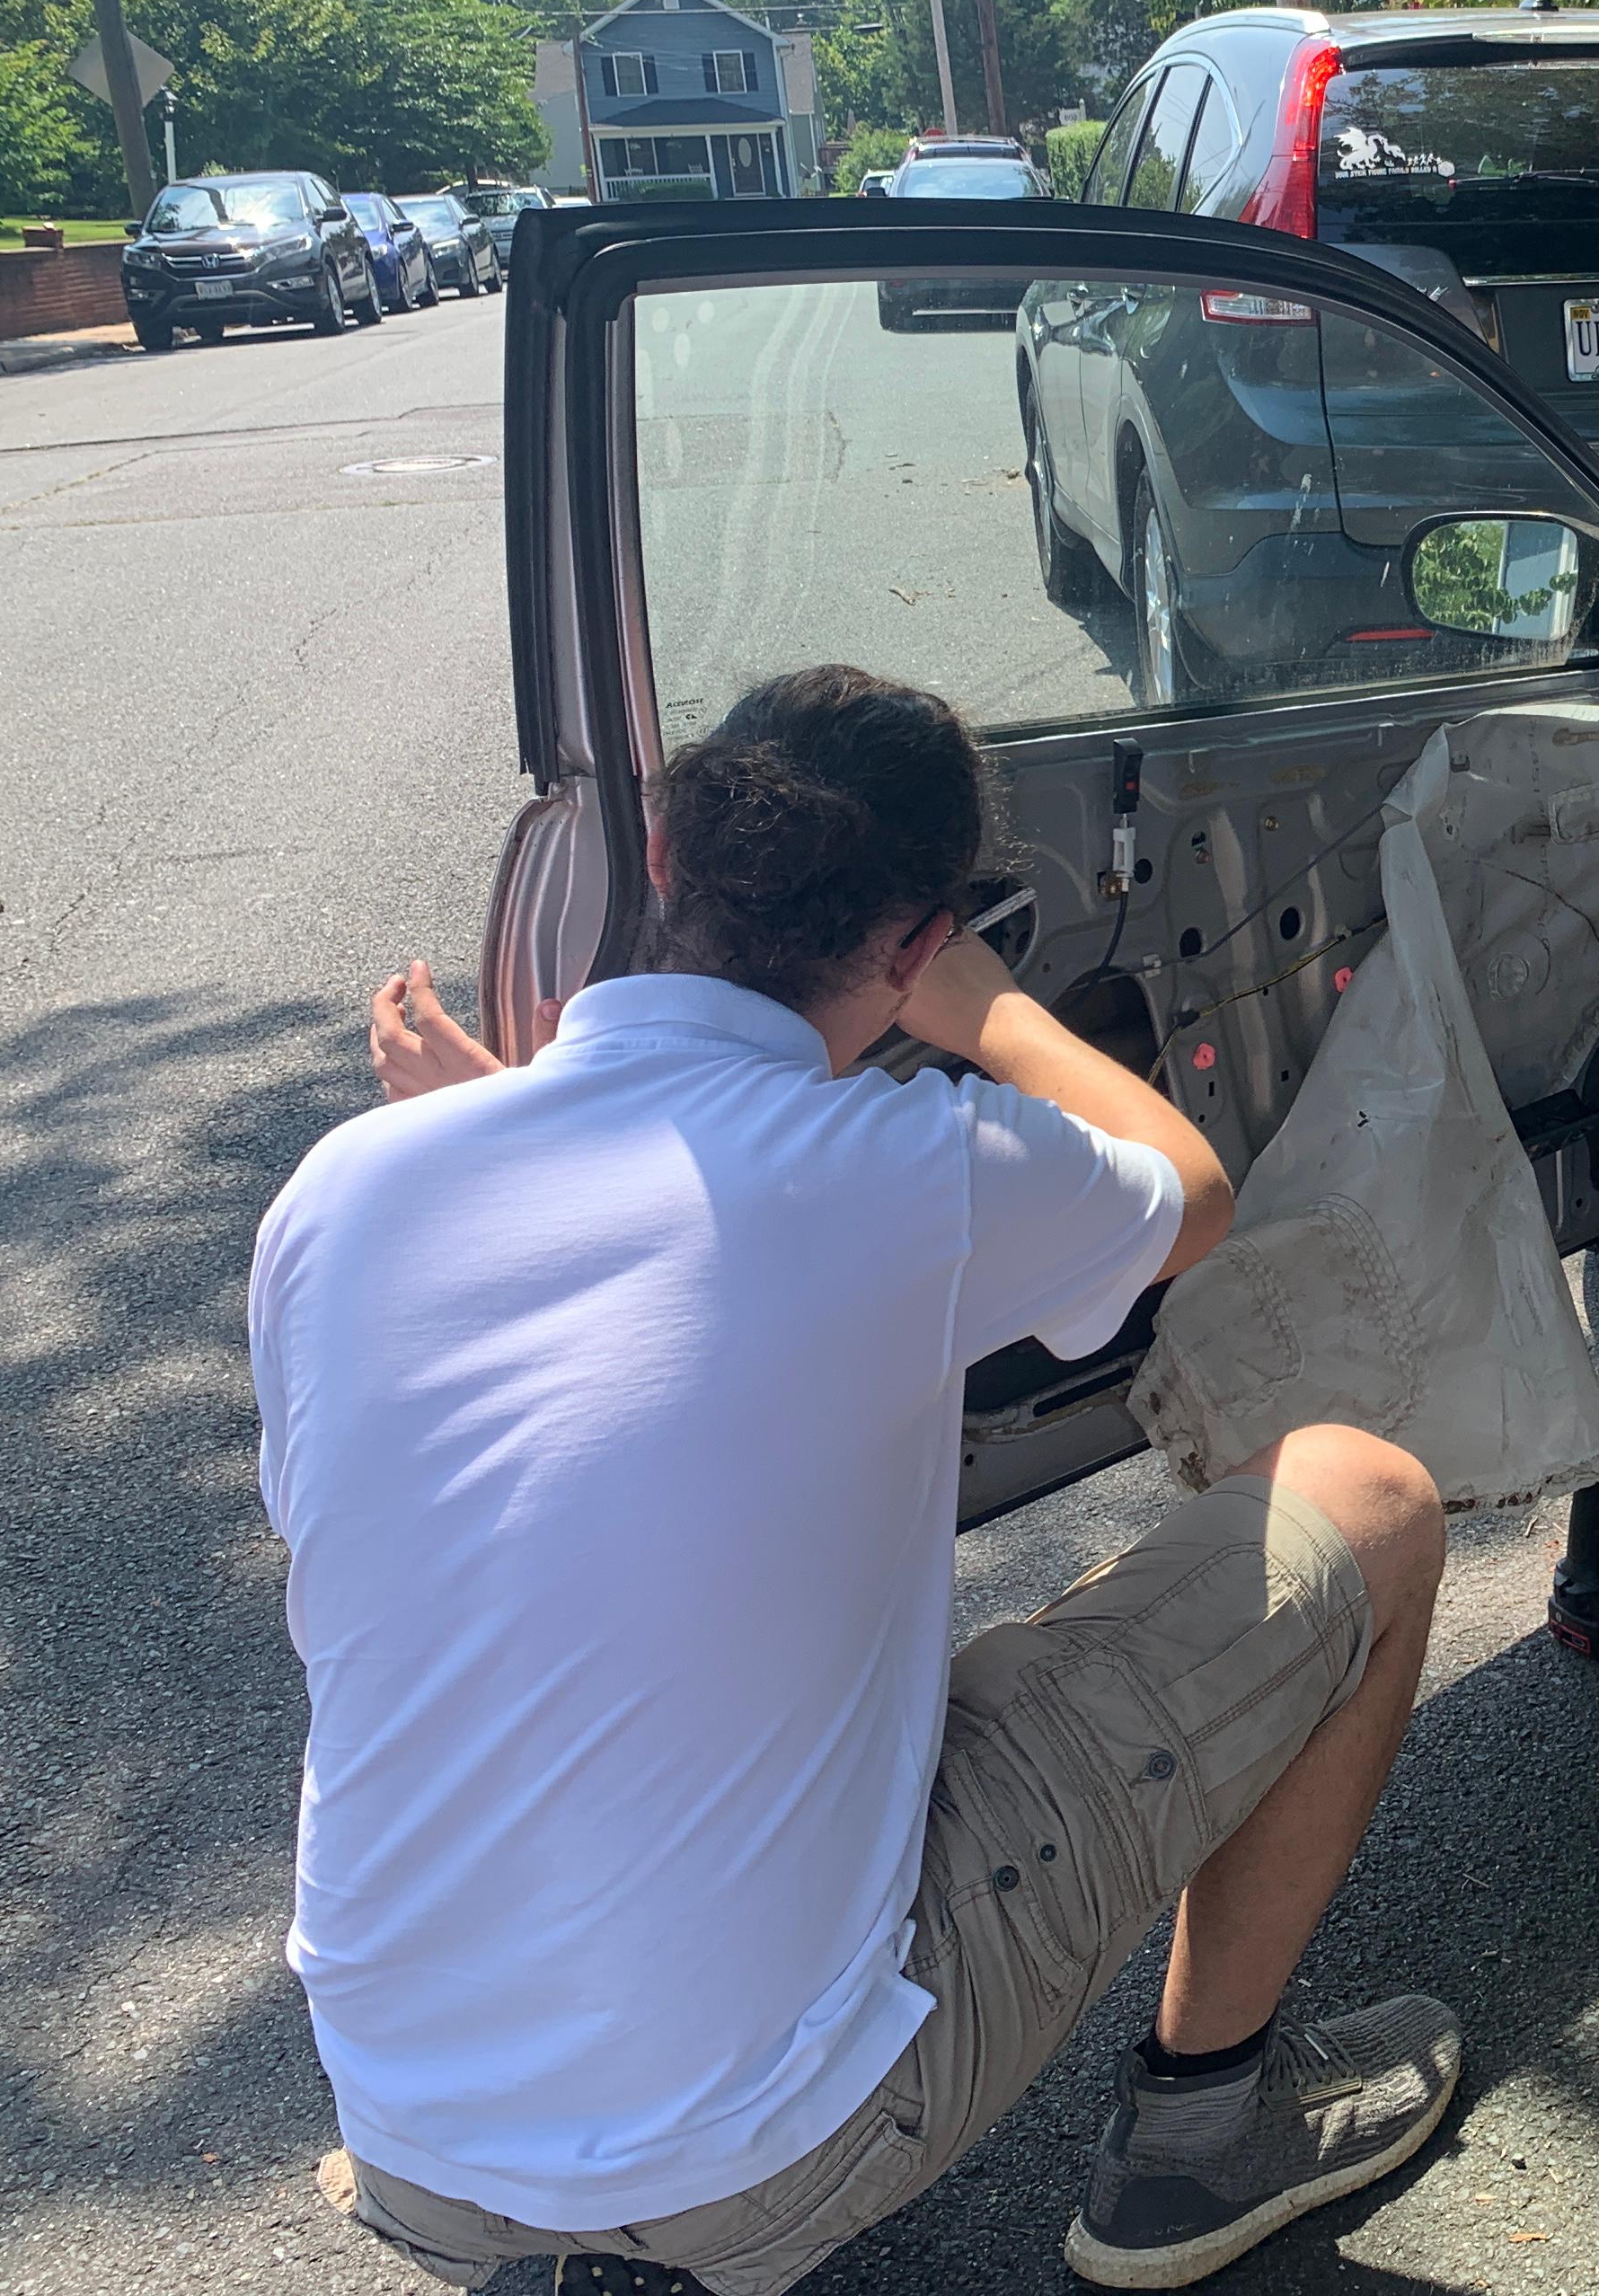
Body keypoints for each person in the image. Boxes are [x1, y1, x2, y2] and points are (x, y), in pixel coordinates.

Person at [252, 665, 1457, 2296]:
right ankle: (1204, 2138)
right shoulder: (911, 1178)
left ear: (665, 864)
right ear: (910, 942)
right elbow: (1189, 1191)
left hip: (412, 2134)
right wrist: (979, 1005)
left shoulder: (349, 1190)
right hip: (750, 2163)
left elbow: (562, 1429)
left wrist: (506, 1106)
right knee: (1366, 1496)